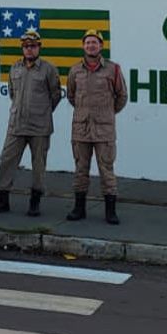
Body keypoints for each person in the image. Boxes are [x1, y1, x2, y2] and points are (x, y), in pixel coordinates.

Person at [0, 28, 61, 215]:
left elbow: (56, 95)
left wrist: (41, 111)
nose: (29, 49)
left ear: (39, 48)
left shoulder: (48, 69)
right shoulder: (14, 68)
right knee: (6, 160)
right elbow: (12, 93)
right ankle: (2, 199)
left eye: (33, 46)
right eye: (26, 46)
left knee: (38, 166)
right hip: (16, 125)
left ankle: (34, 203)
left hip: (40, 127)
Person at [65, 28, 128, 224]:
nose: (91, 45)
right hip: (81, 129)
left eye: (95, 42)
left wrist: (107, 113)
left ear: (101, 46)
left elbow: (122, 96)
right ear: (83, 46)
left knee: (106, 170)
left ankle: (110, 211)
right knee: (80, 169)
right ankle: (79, 208)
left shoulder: (113, 69)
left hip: (104, 130)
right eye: (88, 42)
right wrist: (86, 113)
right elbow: (71, 96)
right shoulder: (75, 70)